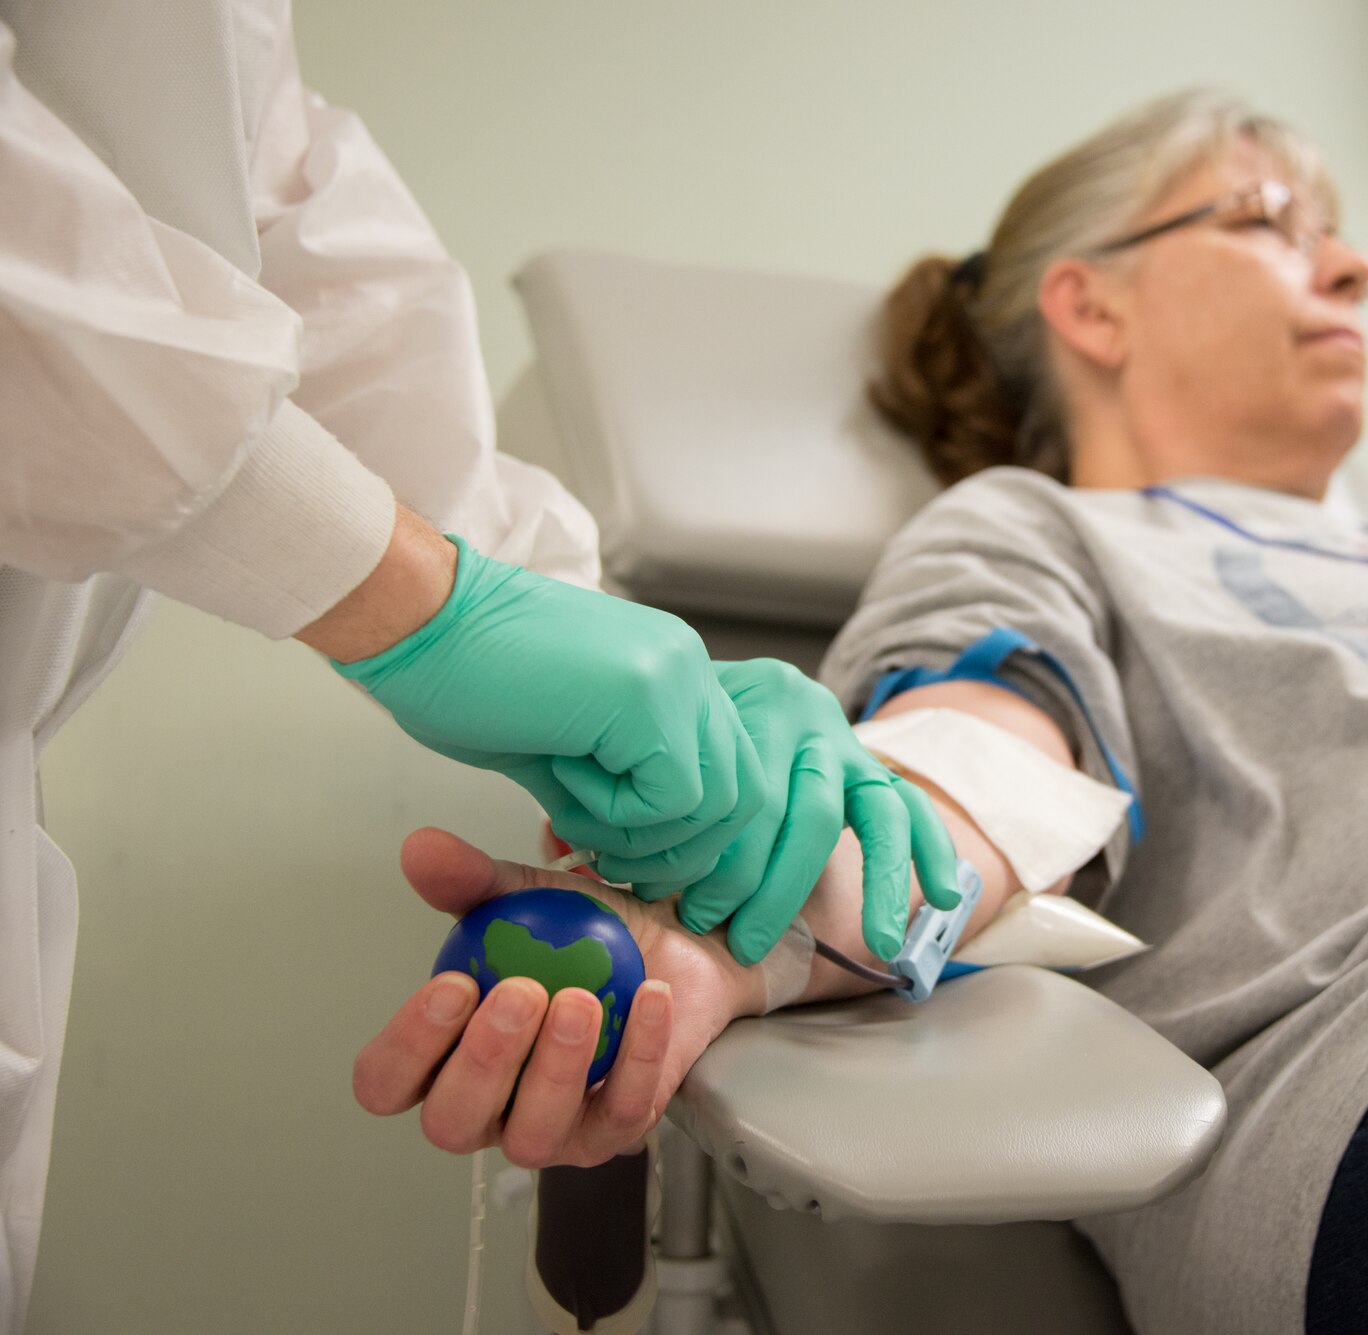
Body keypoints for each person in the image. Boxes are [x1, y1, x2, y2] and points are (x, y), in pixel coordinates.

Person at [357, 88, 1368, 1334]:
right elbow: (967, 775)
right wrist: (730, 934)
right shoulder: (1037, 527)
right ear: (1094, 304)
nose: (1349, 259)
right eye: (1271, 220)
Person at [0, 3, 952, 1327]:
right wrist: (414, 595)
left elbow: (272, 199)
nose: (1351, 266)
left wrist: (555, 604)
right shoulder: (1019, 539)